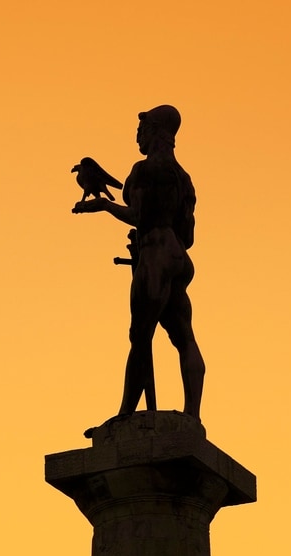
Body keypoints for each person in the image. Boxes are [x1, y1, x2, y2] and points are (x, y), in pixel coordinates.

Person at [73, 105, 205, 420]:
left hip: (155, 253)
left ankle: (125, 415)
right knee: (183, 336)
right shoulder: (183, 178)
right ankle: (193, 415)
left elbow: (138, 216)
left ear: (157, 131)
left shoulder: (144, 171)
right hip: (178, 257)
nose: (137, 137)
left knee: (140, 334)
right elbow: (188, 236)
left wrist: (105, 206)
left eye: (142, 130)